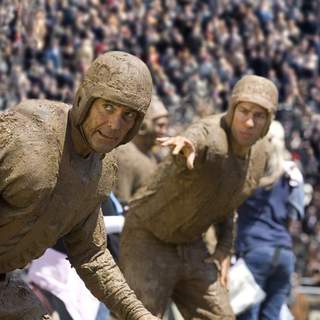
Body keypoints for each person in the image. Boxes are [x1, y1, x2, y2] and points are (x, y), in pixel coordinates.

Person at [0, 51, 158, 320]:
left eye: (128, 115)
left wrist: (138, 314)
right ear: (84, 99)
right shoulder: (28, 134)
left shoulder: (102, 169)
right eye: (108, 107)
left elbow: (92, 255)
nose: (115, 125)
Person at [119, 75, 279, 319]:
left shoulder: (260, 154)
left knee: (221, 316)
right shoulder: (213, 135)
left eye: (259, 116)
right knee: (142, 316)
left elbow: (229, 203)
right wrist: (188, 144)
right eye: (244, 111)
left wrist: (224, 249)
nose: (249, 122)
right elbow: (200, 133)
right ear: (232, 110)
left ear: (268, 121)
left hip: (192, 242)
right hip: (149, 236)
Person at [236, 120, 305, 320]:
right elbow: (294, 219)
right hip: (284, 255)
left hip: (254, 251)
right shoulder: (292, 174)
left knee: (247, 314)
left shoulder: (250, 173)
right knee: (271, 316)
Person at [115, 94, 169, 205]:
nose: (164, 131)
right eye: (160, 125)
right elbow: (121, 204)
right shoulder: (125, 156)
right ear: (143, 127)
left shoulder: (151, 155)